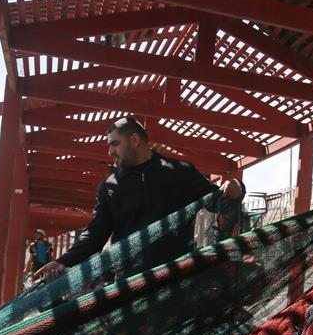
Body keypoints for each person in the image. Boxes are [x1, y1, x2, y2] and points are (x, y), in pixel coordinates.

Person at [34, 117, 244, 280]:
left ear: (134, 140)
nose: (110, 151)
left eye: (115, 144)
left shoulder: (180, 172)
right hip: (128, 282)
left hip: (175, 277)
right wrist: (63, 261)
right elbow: (95, 234)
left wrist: (236, 187)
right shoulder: (109, 187)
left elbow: (216, 198)